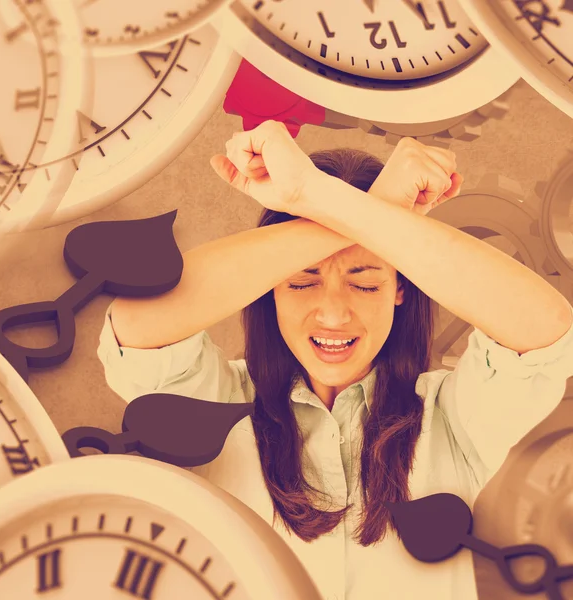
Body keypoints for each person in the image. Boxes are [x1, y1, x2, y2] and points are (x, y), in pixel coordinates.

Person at [97, 120, 573, 600]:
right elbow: (138, 326)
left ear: (400, 288)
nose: (332, 313)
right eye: (301, 282)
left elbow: (544, 326)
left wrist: (319, 197)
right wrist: (349, 209)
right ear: (270, 288)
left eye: (365, 282)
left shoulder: (451, 420)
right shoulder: (214, 406)